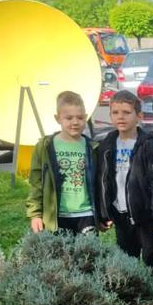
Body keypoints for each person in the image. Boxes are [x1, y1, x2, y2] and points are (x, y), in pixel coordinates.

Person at [96, 90, 153, 275]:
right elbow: (101, 180)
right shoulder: (107, 144)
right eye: (115, 112)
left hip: (146, 216)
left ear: (139, 116)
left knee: (152, 260)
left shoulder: (149, 145)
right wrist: (103, 213)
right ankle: (133, 299)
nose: (120, 117)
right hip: (120, 214)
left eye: (127, 112)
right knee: (126, 261)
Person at [26, 90, 101, 235]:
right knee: (60, 256)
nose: (75, 122)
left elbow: (100, 183)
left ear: (86, 118)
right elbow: (36, 182)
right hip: (56, 217)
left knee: (88, 256)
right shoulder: (45, 147)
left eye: (80, 117)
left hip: (86, 215)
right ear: (57, 118)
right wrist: (35, 214)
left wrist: (103, 215)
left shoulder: (93, 147)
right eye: (69, 118)